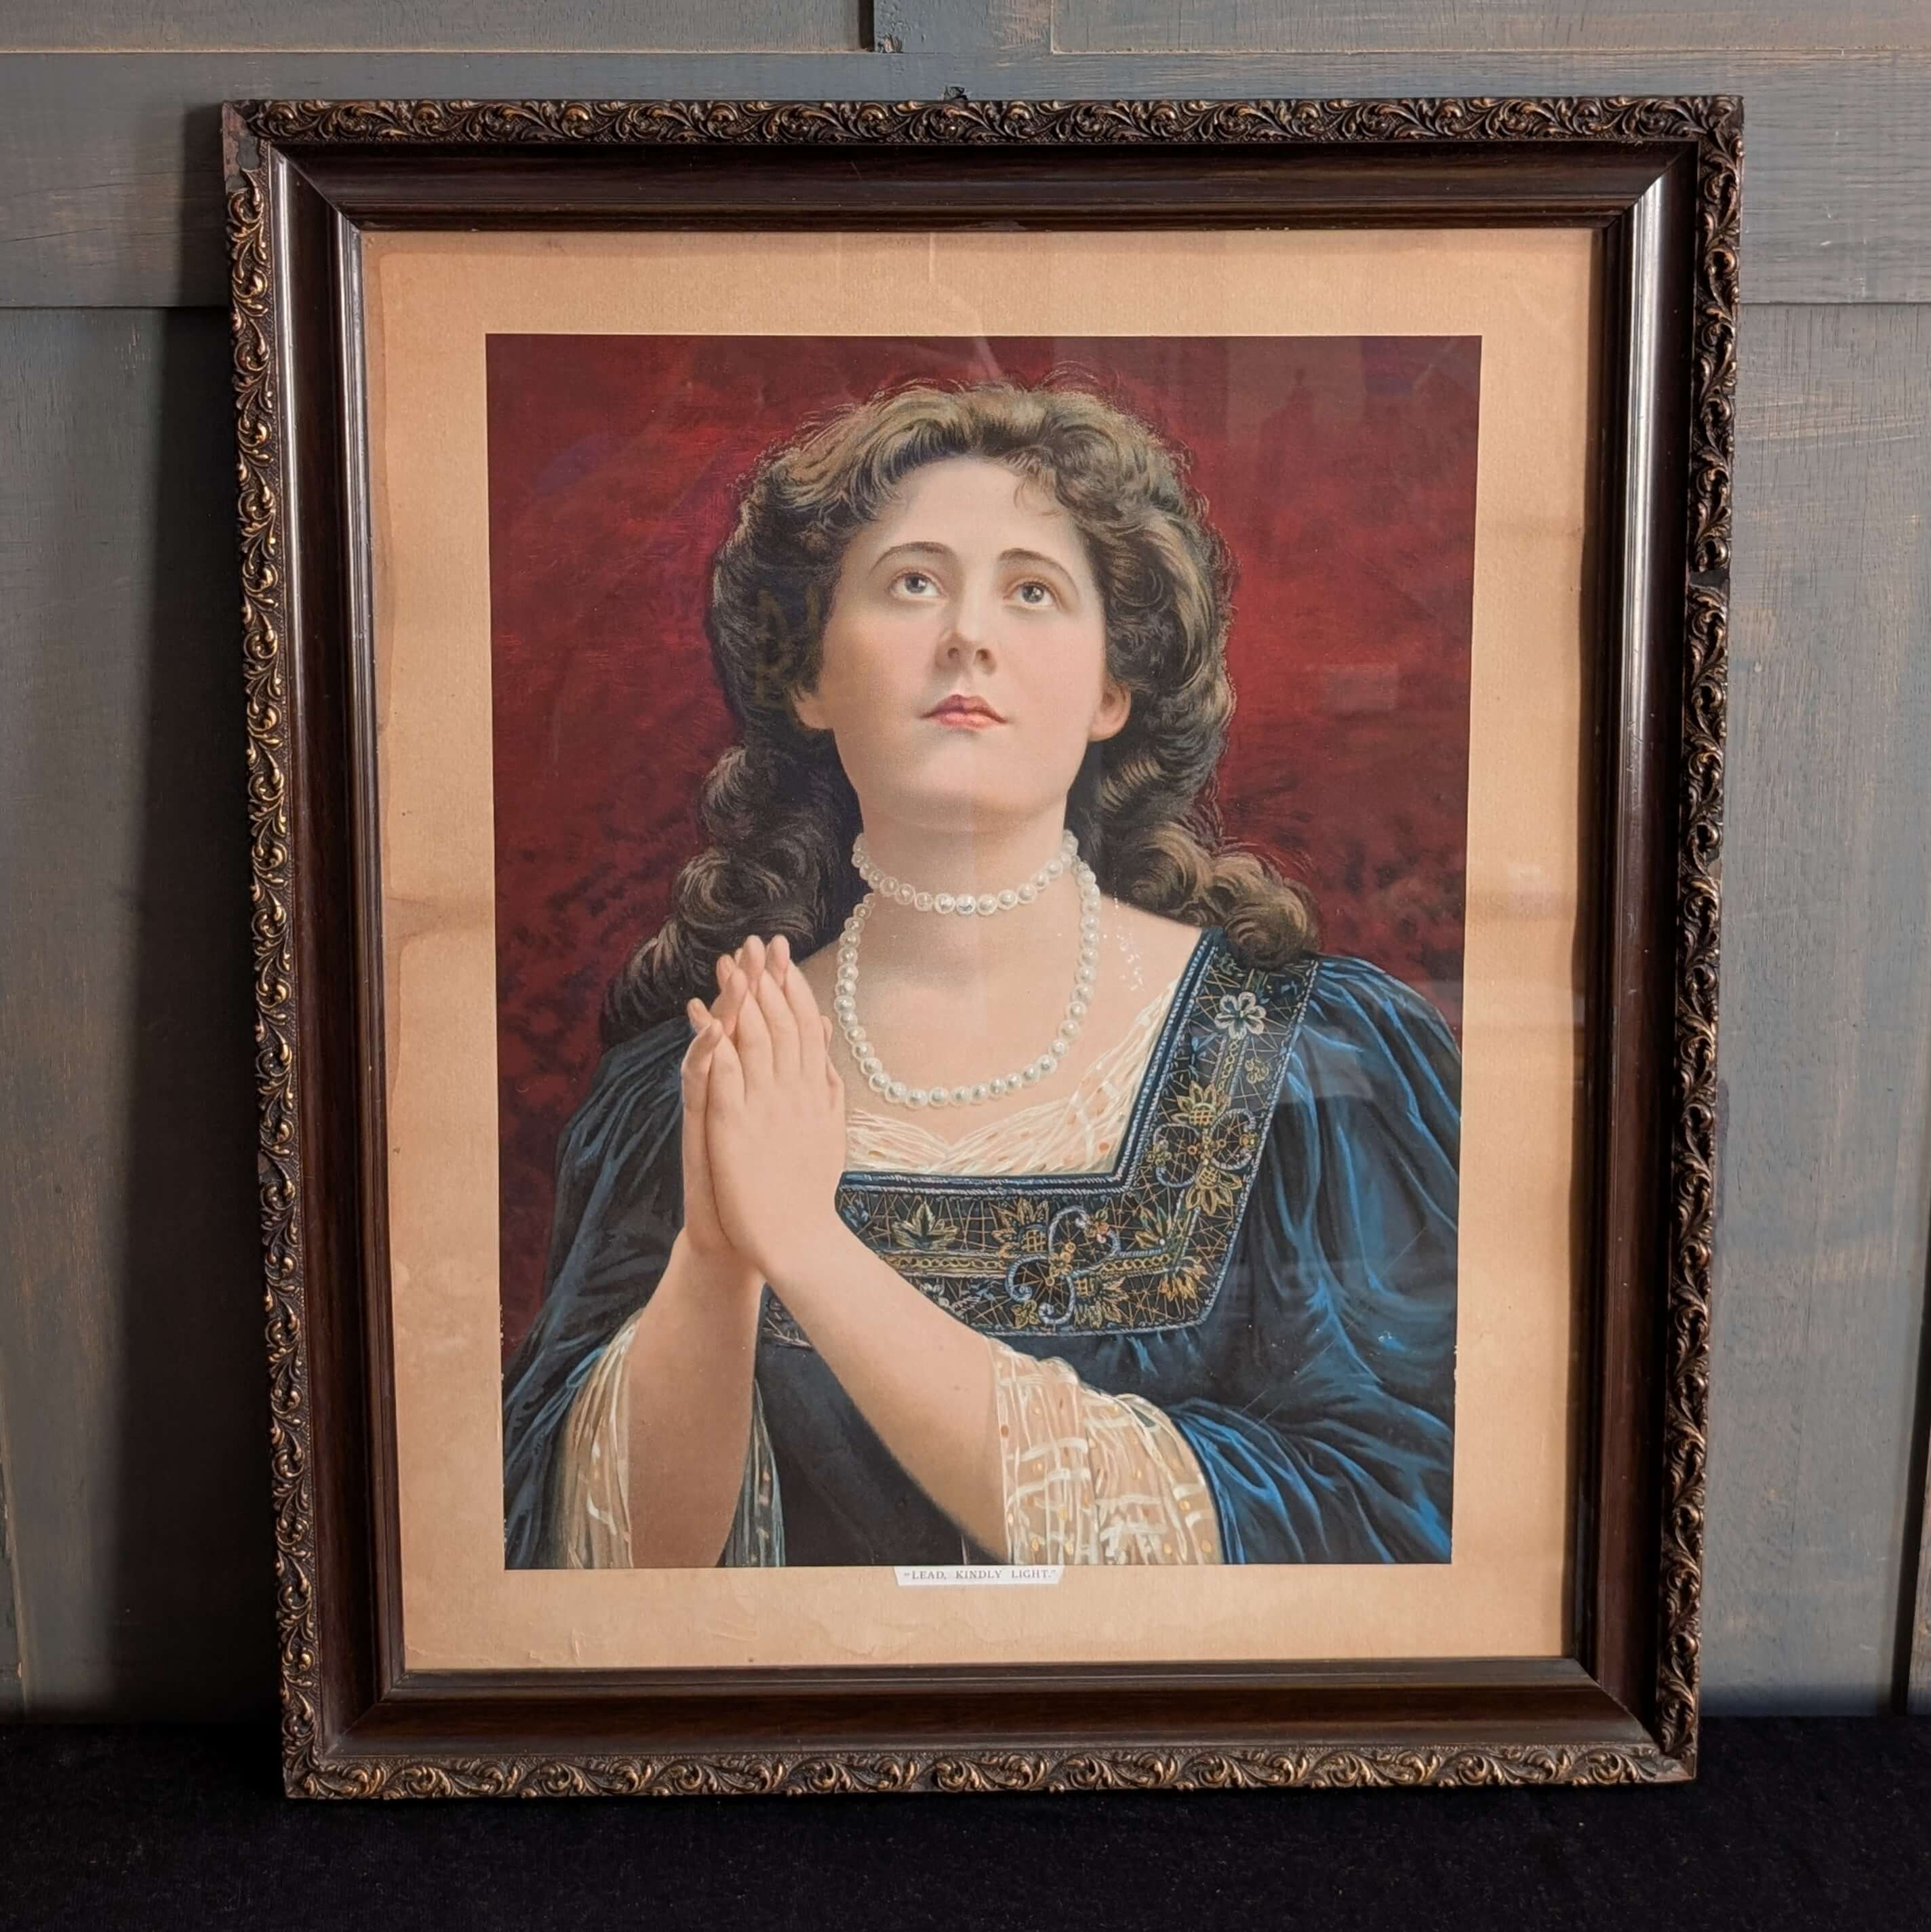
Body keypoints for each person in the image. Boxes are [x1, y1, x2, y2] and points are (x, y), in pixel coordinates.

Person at [502, 380, 1459, 1569]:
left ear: (1113, 688)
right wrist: (715, 1259)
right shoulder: (692, 1084)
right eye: (912, 582)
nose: (968, 635)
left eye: (1032, 590)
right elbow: (581, 1577)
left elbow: (1389, 1528)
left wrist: (809, 1250)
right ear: (810, 677)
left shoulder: (1307, 1064)